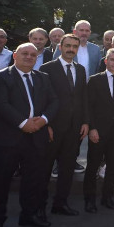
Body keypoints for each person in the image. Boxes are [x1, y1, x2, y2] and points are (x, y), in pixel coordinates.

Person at [0, 43, 59, 227]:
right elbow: (1, 104)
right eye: (24, 54)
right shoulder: (1, 77)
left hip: (36, 137)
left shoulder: (43, 77)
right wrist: (23, 123)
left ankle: (28, 215)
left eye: (33, 55)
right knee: (1, 182)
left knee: (32, 181)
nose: (29, 57)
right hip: (7, 139)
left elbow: (54, 101)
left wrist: (43, 121)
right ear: (15, 56)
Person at [40, 34, 88, 217]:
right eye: (67, 46)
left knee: (67, 168)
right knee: (45, 169)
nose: (71, 49)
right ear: (60, 47)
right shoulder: (47, 68)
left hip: (74, 128)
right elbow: (43, 99)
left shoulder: (81, 69)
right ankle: (40, 206)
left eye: (74, 46)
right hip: (53, 127)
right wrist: (47, 124)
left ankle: (60, 203)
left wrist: (85, 121)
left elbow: (83, 97)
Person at [83, 48, 114, 213]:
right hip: (98, 131)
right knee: (93, 167)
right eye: (112, 59)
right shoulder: (95, 80)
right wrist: (92, 128)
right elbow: (88, 107)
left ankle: (107, 197)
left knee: (112, 167)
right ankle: (89, 200)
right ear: (106, 61)